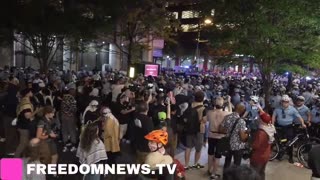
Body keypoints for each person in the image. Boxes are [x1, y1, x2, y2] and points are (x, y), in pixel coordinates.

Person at [272, 95, 306, 163]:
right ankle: (280, 153)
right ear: (281, 102)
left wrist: (302, 123)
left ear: (289, 102)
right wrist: (272, 125)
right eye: (284, 102)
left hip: (289, 127)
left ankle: (290, 156)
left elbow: (299, 116)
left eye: (287, 102)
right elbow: (273, 116)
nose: (285, 103)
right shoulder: (277, 108)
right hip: (280, 127)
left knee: (290, 142)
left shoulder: (292, 109)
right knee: (281, 141)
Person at [207, 97, 232, 179]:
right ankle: (213, 174)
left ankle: (209, 170)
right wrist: (228, 102)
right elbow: (232, 113)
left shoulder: (209, 113)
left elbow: (206, 120)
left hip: (211, 135)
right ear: (223, 105)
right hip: (221, 137)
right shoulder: (226, 114)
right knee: (217, 156)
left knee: (210, 154)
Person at [220, 103, 248, 169]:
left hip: (228, 144)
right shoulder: (241, 121)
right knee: (237, 165)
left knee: (227, 163)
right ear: (241, 110)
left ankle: (225, 176)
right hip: (237, 146)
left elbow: (221, 129)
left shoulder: (227, 117)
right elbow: (242, 138)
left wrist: (228, 131)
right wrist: (247, 134)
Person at [250, 108, 275, 180]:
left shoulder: (261, 132)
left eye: (259, 118)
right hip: (266, 154)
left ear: (261, 120)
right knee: (261, 172)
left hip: (258, 156)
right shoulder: (270, 128)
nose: (258, 119)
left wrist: (249, 144)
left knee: (254, 173)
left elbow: (256, 145)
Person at [184, 91, 207, 170]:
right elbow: (204, 120)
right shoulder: (203, 108)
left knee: (188, 147)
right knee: (198, 149)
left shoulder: (190, 105)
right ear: (202, 98)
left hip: (189, 129)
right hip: (199, 130)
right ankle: (195, 163)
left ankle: (186, 165)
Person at [61, 84, 78, 152]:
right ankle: (73, 146)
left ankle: (65, 146)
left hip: (63, 116)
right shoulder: (72, 99)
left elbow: (61, 107)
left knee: (64, 131)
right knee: (72, 131)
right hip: (70, 117)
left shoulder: (63, 97)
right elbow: (74, 109)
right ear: (72, 91)